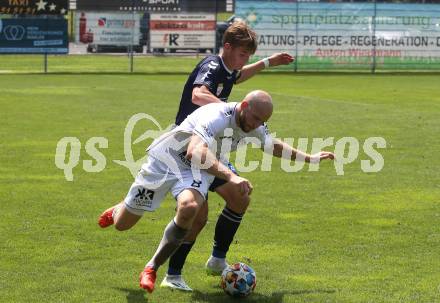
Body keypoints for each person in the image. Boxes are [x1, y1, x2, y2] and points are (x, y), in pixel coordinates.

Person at [98, 90, 335, 294]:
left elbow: (272, 145)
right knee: (122, 224)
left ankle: (152, 267)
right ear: (244, 106)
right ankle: (121, 207)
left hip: (198, 170)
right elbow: (194, 151)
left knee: (190, 208)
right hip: (166, 160)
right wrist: (231, 176)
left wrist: (310, 158)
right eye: (255, 118)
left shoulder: (255, 123)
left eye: (262, 121)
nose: (256, 125)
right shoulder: (217, 116)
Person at [160, 21, 294, 291]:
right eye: (243, 54)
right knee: (197, 216)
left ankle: (217, 260)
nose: (246, 59)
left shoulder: (228, 69)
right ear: (228, 47)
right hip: (189, 147)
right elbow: (199, 94)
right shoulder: (212, 66)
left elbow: (239, 76)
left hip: (212, 146)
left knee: (239, 195)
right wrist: (230, 111)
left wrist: (268, 62)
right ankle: (171, 275)